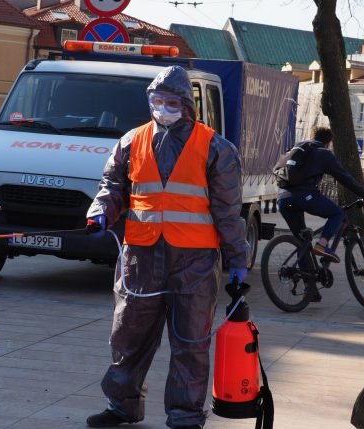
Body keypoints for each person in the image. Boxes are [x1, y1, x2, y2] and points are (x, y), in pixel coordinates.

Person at [85, 65, 249, 429]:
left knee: (190, 343)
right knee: (128, 336)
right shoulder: (132, 141)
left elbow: (228, 211)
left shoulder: (215, 148)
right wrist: (101, 212)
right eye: (157, 101)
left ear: (187, 105)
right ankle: (122, 406)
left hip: (195, 262)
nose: (163, 107)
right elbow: (112, 186)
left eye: (171, 101)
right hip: (141, 258)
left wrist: (238, 259)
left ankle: (186, 417)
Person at [275, 126, 364, 270]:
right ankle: (322, 244)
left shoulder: (298, 148)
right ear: (328, 142)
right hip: (304, 196)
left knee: (302, 241)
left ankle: (309, 285)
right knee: (337, 213)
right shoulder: (323, 153)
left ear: (313, 137)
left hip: (283, 198)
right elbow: (344, 177)